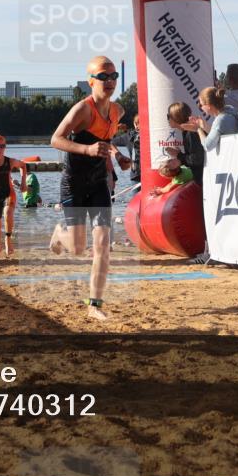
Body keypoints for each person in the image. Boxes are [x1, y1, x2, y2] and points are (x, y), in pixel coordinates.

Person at [49, 56, 128, 321]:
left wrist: (117, 156)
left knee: (103, 244)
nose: (110, 82)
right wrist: (87, 149)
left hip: (98, 183)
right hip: (74, 181)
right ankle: (60, 234)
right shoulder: (82, 110)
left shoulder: (118, 111)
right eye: (104, 77)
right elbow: (55, 139)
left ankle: (94, 304)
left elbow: (106, 139)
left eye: (114, 76)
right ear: (90, 81)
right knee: (79, 248)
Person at [165, 102, 204, 187]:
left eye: (169, 116)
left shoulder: (191, 132)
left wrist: (178, 155)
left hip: (205, 179)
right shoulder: (187, 131)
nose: (167, 119)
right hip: (202, 178)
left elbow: (197, 159)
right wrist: (180, 156)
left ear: (176, 117)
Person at [193, 86, 238, 152]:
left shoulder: (220, 119)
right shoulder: (231, 110)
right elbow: (219, 132)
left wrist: (198, 129)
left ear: (208, 106)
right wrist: (204, 126)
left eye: (201, 104)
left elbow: (207, 146)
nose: (200, 107)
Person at [111, 114, 141, 183]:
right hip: (137, 176)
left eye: (139, 123)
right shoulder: (128, 136)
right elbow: (111, 141)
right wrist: (119, 155)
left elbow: (110, 140)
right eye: (136, 123)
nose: (137, 126)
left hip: (142, 175)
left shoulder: (128, 136)